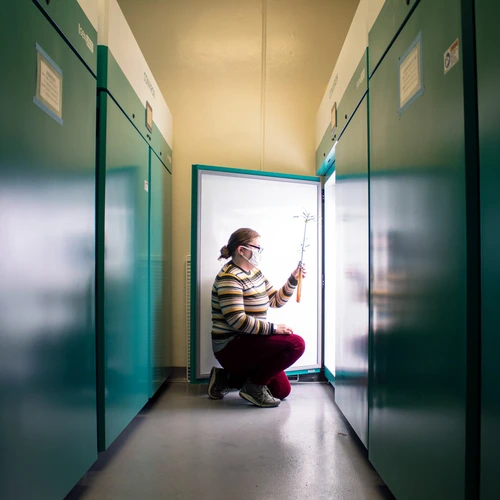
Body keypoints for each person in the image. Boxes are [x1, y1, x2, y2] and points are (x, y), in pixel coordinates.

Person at [207, 227, 306, 408]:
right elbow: (238, 321)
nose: (260, 252)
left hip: (251, 340)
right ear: (241, 250)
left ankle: (225, 378)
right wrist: (274, 329)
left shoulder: (255, 273)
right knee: (296, 343)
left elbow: (275, 300)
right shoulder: (229, 278)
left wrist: (293, 280)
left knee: (281, 391)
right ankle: (252, 387)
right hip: (232, 345)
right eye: (257, 248)